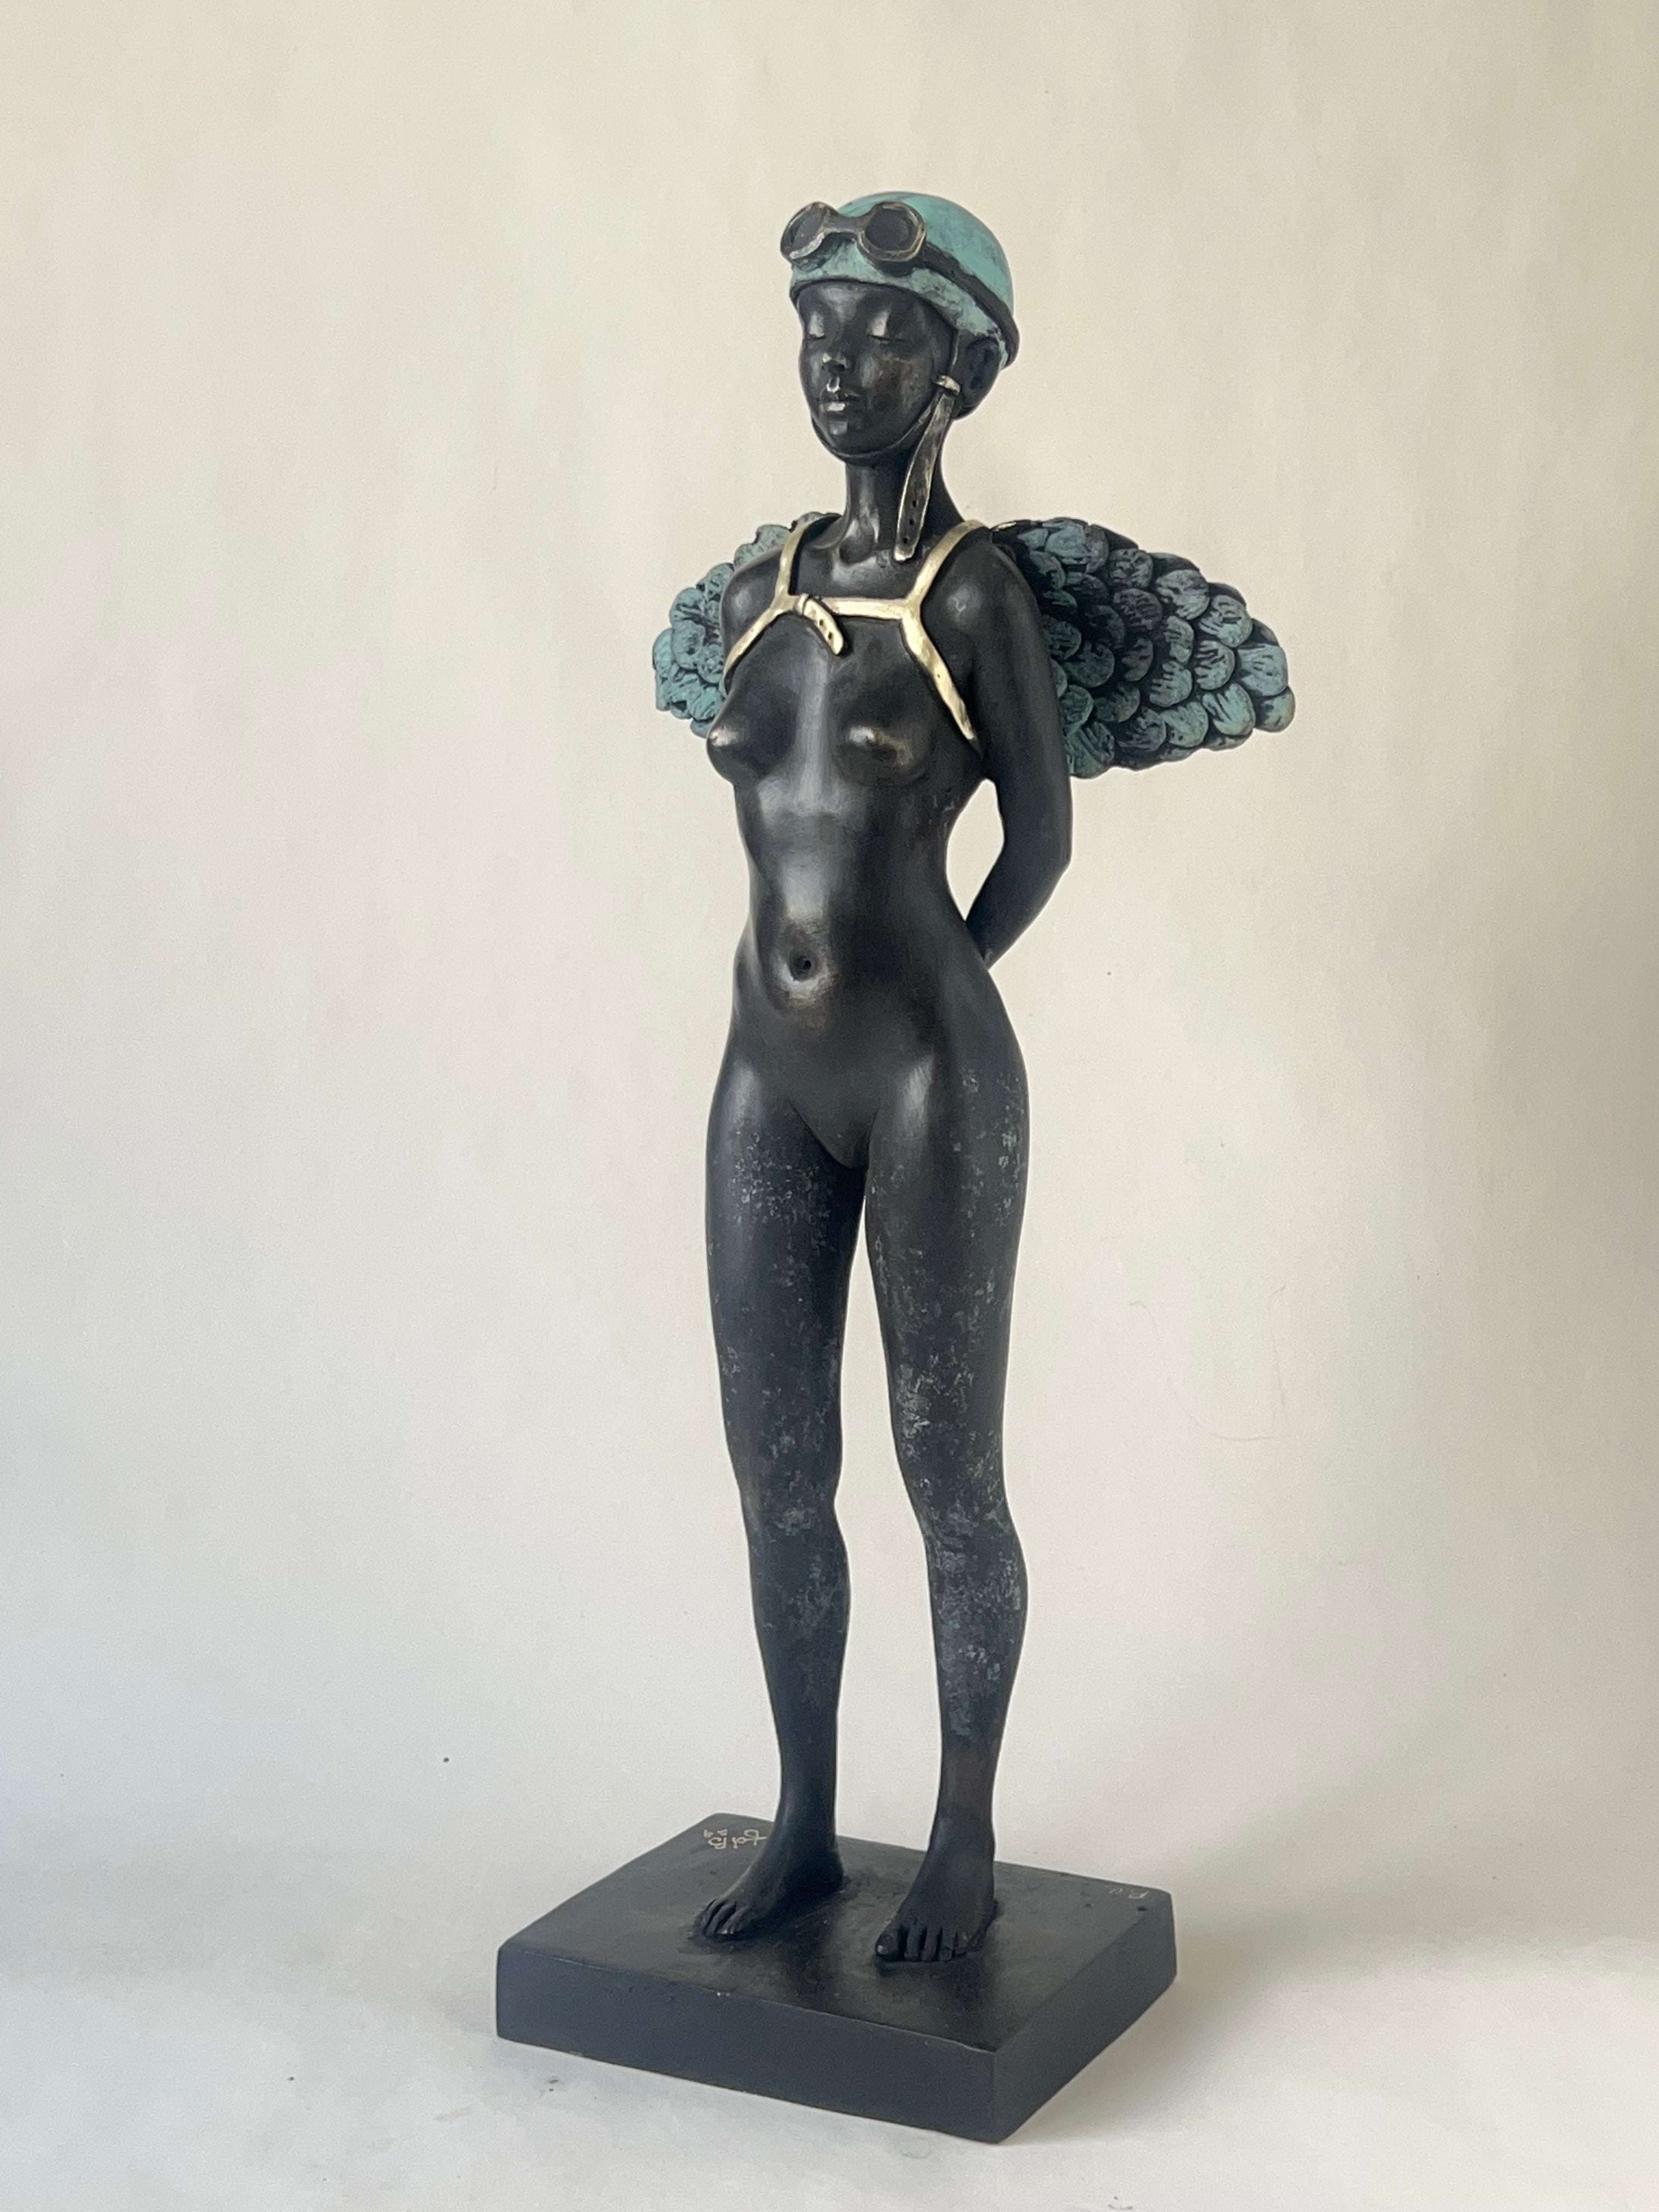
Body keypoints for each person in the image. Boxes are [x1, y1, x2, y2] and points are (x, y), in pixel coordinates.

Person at [693, 194, 1071, 1965]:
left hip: (928, 1075)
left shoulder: (975, 596)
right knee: (776, 1465)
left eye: (888, 334)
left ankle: (964, 1833)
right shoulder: (760, 583)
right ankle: (802, 1822)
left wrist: (935, 996)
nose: (842, 364)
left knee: (946, 1471)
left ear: (960, 371)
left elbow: (1041, 841)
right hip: (764, 1071)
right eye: (820, 331)